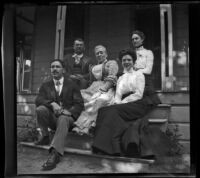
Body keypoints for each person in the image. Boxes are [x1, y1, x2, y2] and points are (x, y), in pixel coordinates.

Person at [92, 49, 172, 159]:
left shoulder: (139, 75)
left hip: (138, 103)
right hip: (125, 104)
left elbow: (138, 94)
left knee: (114, 110)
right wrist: (117, 103)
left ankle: (108, 147)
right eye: (124, 60)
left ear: (133, 61)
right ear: (121, 62)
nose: (126, 62)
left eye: (129, 59)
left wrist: (121, 104)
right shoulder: (120, 77)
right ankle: (105, 147)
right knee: (104, 110)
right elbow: (118, 95)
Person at [35, 59, 84, 171]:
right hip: (53, 118)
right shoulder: (46, 85)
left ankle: (55, 154)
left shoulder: (72, 85)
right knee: (40, 109)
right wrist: (52, 104)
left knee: (63, 118)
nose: (54, 69)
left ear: (63, 70)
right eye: (52, 67)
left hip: (67, 120)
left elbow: (79, 103)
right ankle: (45, 136)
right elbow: (39, 99)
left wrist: (70, 112)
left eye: (57, 67)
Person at [72, 45, 119, 135]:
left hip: (106, 87)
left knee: (99, 100)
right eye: (97, 53)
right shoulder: (93, 67)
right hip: (93, 87)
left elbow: (112, 77)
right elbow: (90, 80)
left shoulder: (111, 63)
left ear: (106, 54)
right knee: (81, 97)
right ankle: (78, 125)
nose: (99, 54)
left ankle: (89, 126)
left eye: (101, 52)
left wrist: (104, 88)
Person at [131, 30, 161, 104]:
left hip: (145, 81)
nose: (134, 40)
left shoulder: (148, 52)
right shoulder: (130, 54)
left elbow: (148, 70)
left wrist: (136, 70)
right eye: (133, 39)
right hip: (132, 82)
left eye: (136, 38)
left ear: (142, 39)